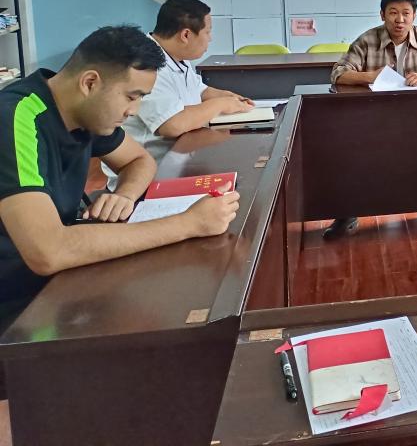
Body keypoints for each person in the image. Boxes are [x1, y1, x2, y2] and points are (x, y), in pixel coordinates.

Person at [0, 26, 240, 335]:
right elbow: (47, 252)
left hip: (51, 280)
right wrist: (188, 224)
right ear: (90, 83)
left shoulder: (82, 110)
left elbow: (139, 160)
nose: (133, 111)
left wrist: (125, 195)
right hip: (16, 302)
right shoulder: (16, 118)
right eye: (131, 96)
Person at [324, 0, 417, 240]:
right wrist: (370, 76)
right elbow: (338, 73)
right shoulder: (368, 40)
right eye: (393, 13)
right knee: (347, 148)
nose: (400, 20)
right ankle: (346, 214)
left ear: (414, 15)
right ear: (382, 15)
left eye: (406, 13)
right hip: (375, 119)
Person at [106, 0, 254, 180]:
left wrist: (227, 96)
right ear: (186, 35)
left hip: (183, 158)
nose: (210, 38)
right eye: (208, 32)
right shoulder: (146, 64)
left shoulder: (174, 56)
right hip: (151, 176)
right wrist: (221, 104)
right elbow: (172, 124)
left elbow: (199, 90)